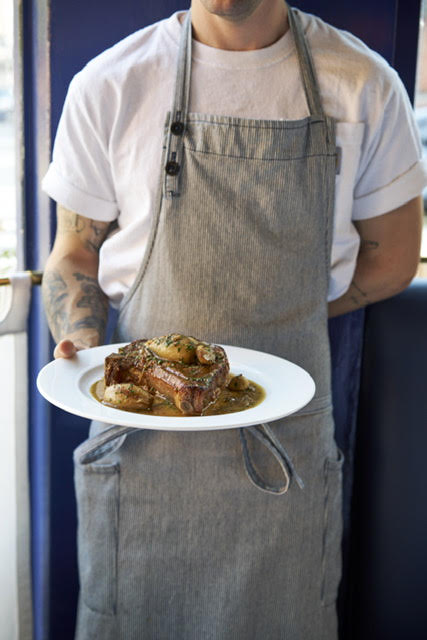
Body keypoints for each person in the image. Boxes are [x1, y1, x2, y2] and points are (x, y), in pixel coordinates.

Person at [41, 1, 426, 638]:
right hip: (142, 449)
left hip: (283, 457)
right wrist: (80, 337)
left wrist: (283, 315)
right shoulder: (109, 82)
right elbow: (73, 250)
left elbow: (392, 261)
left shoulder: (363, 83)